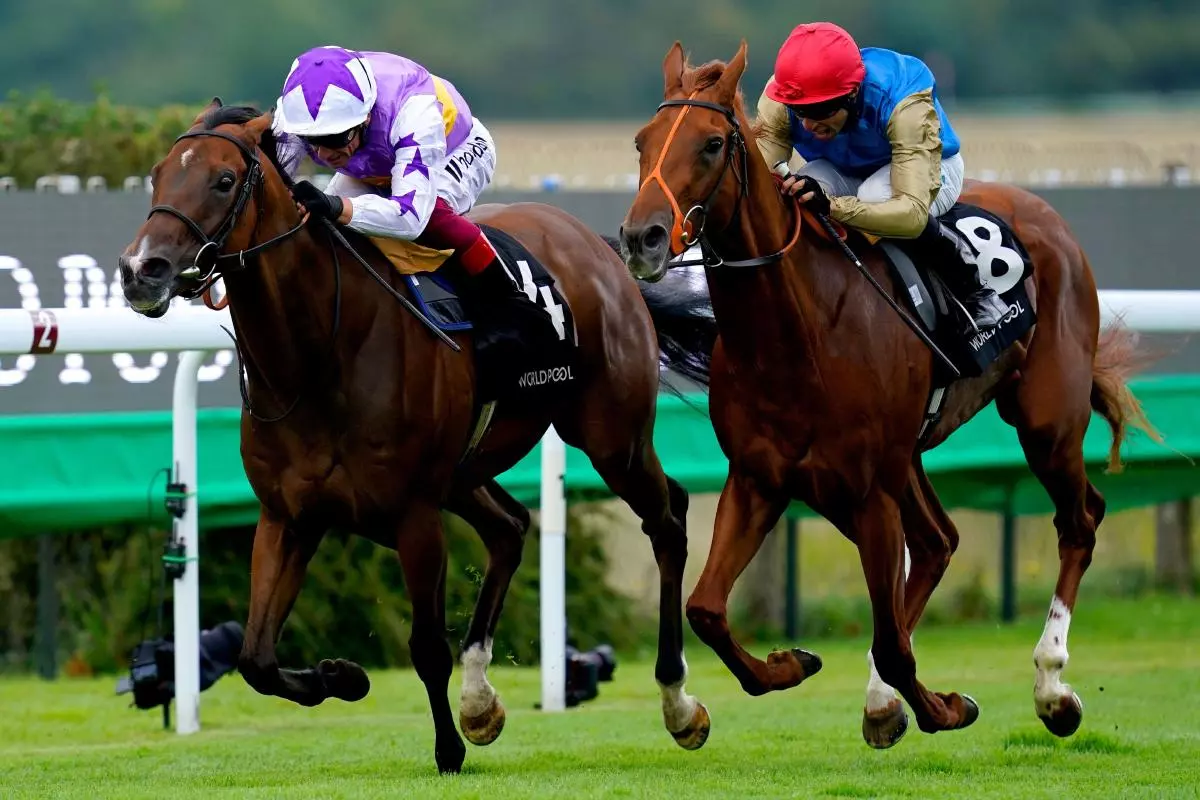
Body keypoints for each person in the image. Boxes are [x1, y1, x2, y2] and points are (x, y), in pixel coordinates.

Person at [755, 22, 1008, 331]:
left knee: (874, 196)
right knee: (803, 195)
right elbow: (758, 180)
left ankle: (974, 288)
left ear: (853, 93)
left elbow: (910, 214)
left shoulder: (903, 100)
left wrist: (832, 206)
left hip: (931, 169)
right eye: (799, 111)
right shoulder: (781, 97)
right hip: (846, 167)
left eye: (821, 110)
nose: (808, 125)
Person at [270, 45, 529, 330]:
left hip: (453, 148)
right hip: (375, 162)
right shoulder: (299, 111)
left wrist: (335, 205)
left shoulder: (415, 114)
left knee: (433, 219)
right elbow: (272, 182)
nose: (323, 154)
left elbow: (410, 218)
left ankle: (515, 301)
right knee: (316, 224)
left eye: (335, 139)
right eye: (311, 140)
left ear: (366, 117)